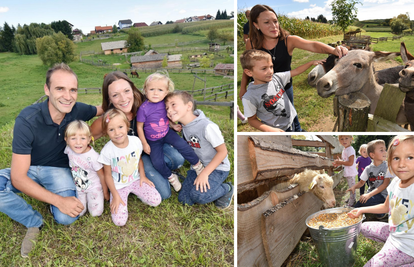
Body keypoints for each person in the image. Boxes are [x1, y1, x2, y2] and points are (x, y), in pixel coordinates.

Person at [0, 63, 102, 257]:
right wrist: (58, 200)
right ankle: (33, 221)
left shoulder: (77, 110)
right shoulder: (27, 119)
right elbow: (19, 178)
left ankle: (46, 195)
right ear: (47, 89)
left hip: (58, 170)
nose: (67, 96)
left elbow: (103, 109)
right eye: (60, 89)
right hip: (28, 168)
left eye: (73, 90)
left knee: (66, 217)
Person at [239, 4, 348, 132]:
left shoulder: (288, 41)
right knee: (272, 118)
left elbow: (313, 45)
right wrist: (243, 88)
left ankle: (298, 130)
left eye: (275, 21)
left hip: (284, 88)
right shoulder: (251, 43)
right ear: (256, 25)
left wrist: (334, 50)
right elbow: (248, 67)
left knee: (290, 113)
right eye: (266, 22)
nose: (274, 26)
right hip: (262, 91)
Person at [90, 71, 185, 200]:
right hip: (137, 159)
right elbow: (85, 140)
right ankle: (150, 171)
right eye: (115, 95)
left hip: (153, 146)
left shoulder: (144, 104)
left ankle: (160, 168)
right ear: (109, 98)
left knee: (178, 159)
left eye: (126, 91)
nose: (123, 99)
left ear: (133, 89)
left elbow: (170, 105)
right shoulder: (108, 120)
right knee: (164, 193)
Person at [348, 135, 414, 266]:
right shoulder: (395, 182)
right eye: (396, 158)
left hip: (407, 245)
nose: (401, 164)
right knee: (360, 227)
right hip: (393, 232)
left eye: (410, 157)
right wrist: (361, 209)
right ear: (390, 161)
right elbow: (385, 207)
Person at [164, 91, 233, 209]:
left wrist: (205, 174)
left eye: (173, 105)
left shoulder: (207, 126)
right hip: (198, 167)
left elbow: (223, 152)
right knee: (184, 199)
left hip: (218, 168)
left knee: (200, 197)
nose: (169, 110)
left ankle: (228, 188)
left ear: (189, 106)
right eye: (167, 108)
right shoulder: (184, 126)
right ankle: (199, 183)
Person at [137, 72, 204, 192]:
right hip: (152, 140)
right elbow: (139, 126)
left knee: (183, 145)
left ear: (166, 92)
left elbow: (166, 116)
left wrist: (173, 126)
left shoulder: (165, 104)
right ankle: (171, 177)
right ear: (145, 91)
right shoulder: (143, 108)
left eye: (160, 90)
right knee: (157, 162)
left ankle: (197, 165)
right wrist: (144, 143)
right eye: (151, 89)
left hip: (167, 133)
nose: (155, 93)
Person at [98, 109, 161, 226]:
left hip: (136, 180)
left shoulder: (136, 141)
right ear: (106, 132)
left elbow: (139, 160)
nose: (117, 133)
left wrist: (142, 176)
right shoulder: (107, 151)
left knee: (156, 200)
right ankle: (121, 195)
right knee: (119, 221)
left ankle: (136, 191)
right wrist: (115, 195)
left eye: (120, 127)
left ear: (127, 126)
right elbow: (107, 175)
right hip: (118, 186)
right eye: (111, 129)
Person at [240, 49, 323, 132]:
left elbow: (296, 71)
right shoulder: (249, 97)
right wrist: (270, 130)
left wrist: (311, 62)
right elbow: (252, 120)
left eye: (271, 67)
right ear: (249, 72)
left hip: (291, 119)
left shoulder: (276, 78)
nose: (270, 71)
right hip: (278, 129)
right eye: (264, 68)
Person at [64, 120, 109, 217]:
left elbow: (102, 175)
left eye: (83, 138)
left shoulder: (93, 157)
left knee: (95, 213)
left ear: (89, 139)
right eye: (73, 138)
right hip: (79, 186)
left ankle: (96, 200)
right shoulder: (68, 149)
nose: (78, 143)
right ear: (66, 140)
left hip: (94, 188)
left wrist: (105, 191)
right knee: (79, 213)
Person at [347, 139, 393, 219]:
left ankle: (382, 212)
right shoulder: (368, 168)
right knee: (357, 205)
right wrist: (354, 186)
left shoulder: (387, 167)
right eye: (381, 150)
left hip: (383, 195)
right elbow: (361, 183)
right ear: (372, 155)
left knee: (366, 202)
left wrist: (369, 195)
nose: (385, 152)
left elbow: (385, 184)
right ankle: (359, 213)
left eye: (385, 150)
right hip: (371, 194)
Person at [333, 135, 358, 206]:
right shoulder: (345, 149)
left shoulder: (350, 149)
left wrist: (340, 162)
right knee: (351, 186)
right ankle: (352, 198)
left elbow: (350, 163)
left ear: (351, 139)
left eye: (346, 138)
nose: (344, 141)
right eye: (342, 139)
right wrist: (339, 163)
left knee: (352, 187)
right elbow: (345, 161)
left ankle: (352, 202)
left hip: (350, 173)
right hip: (348, 172)